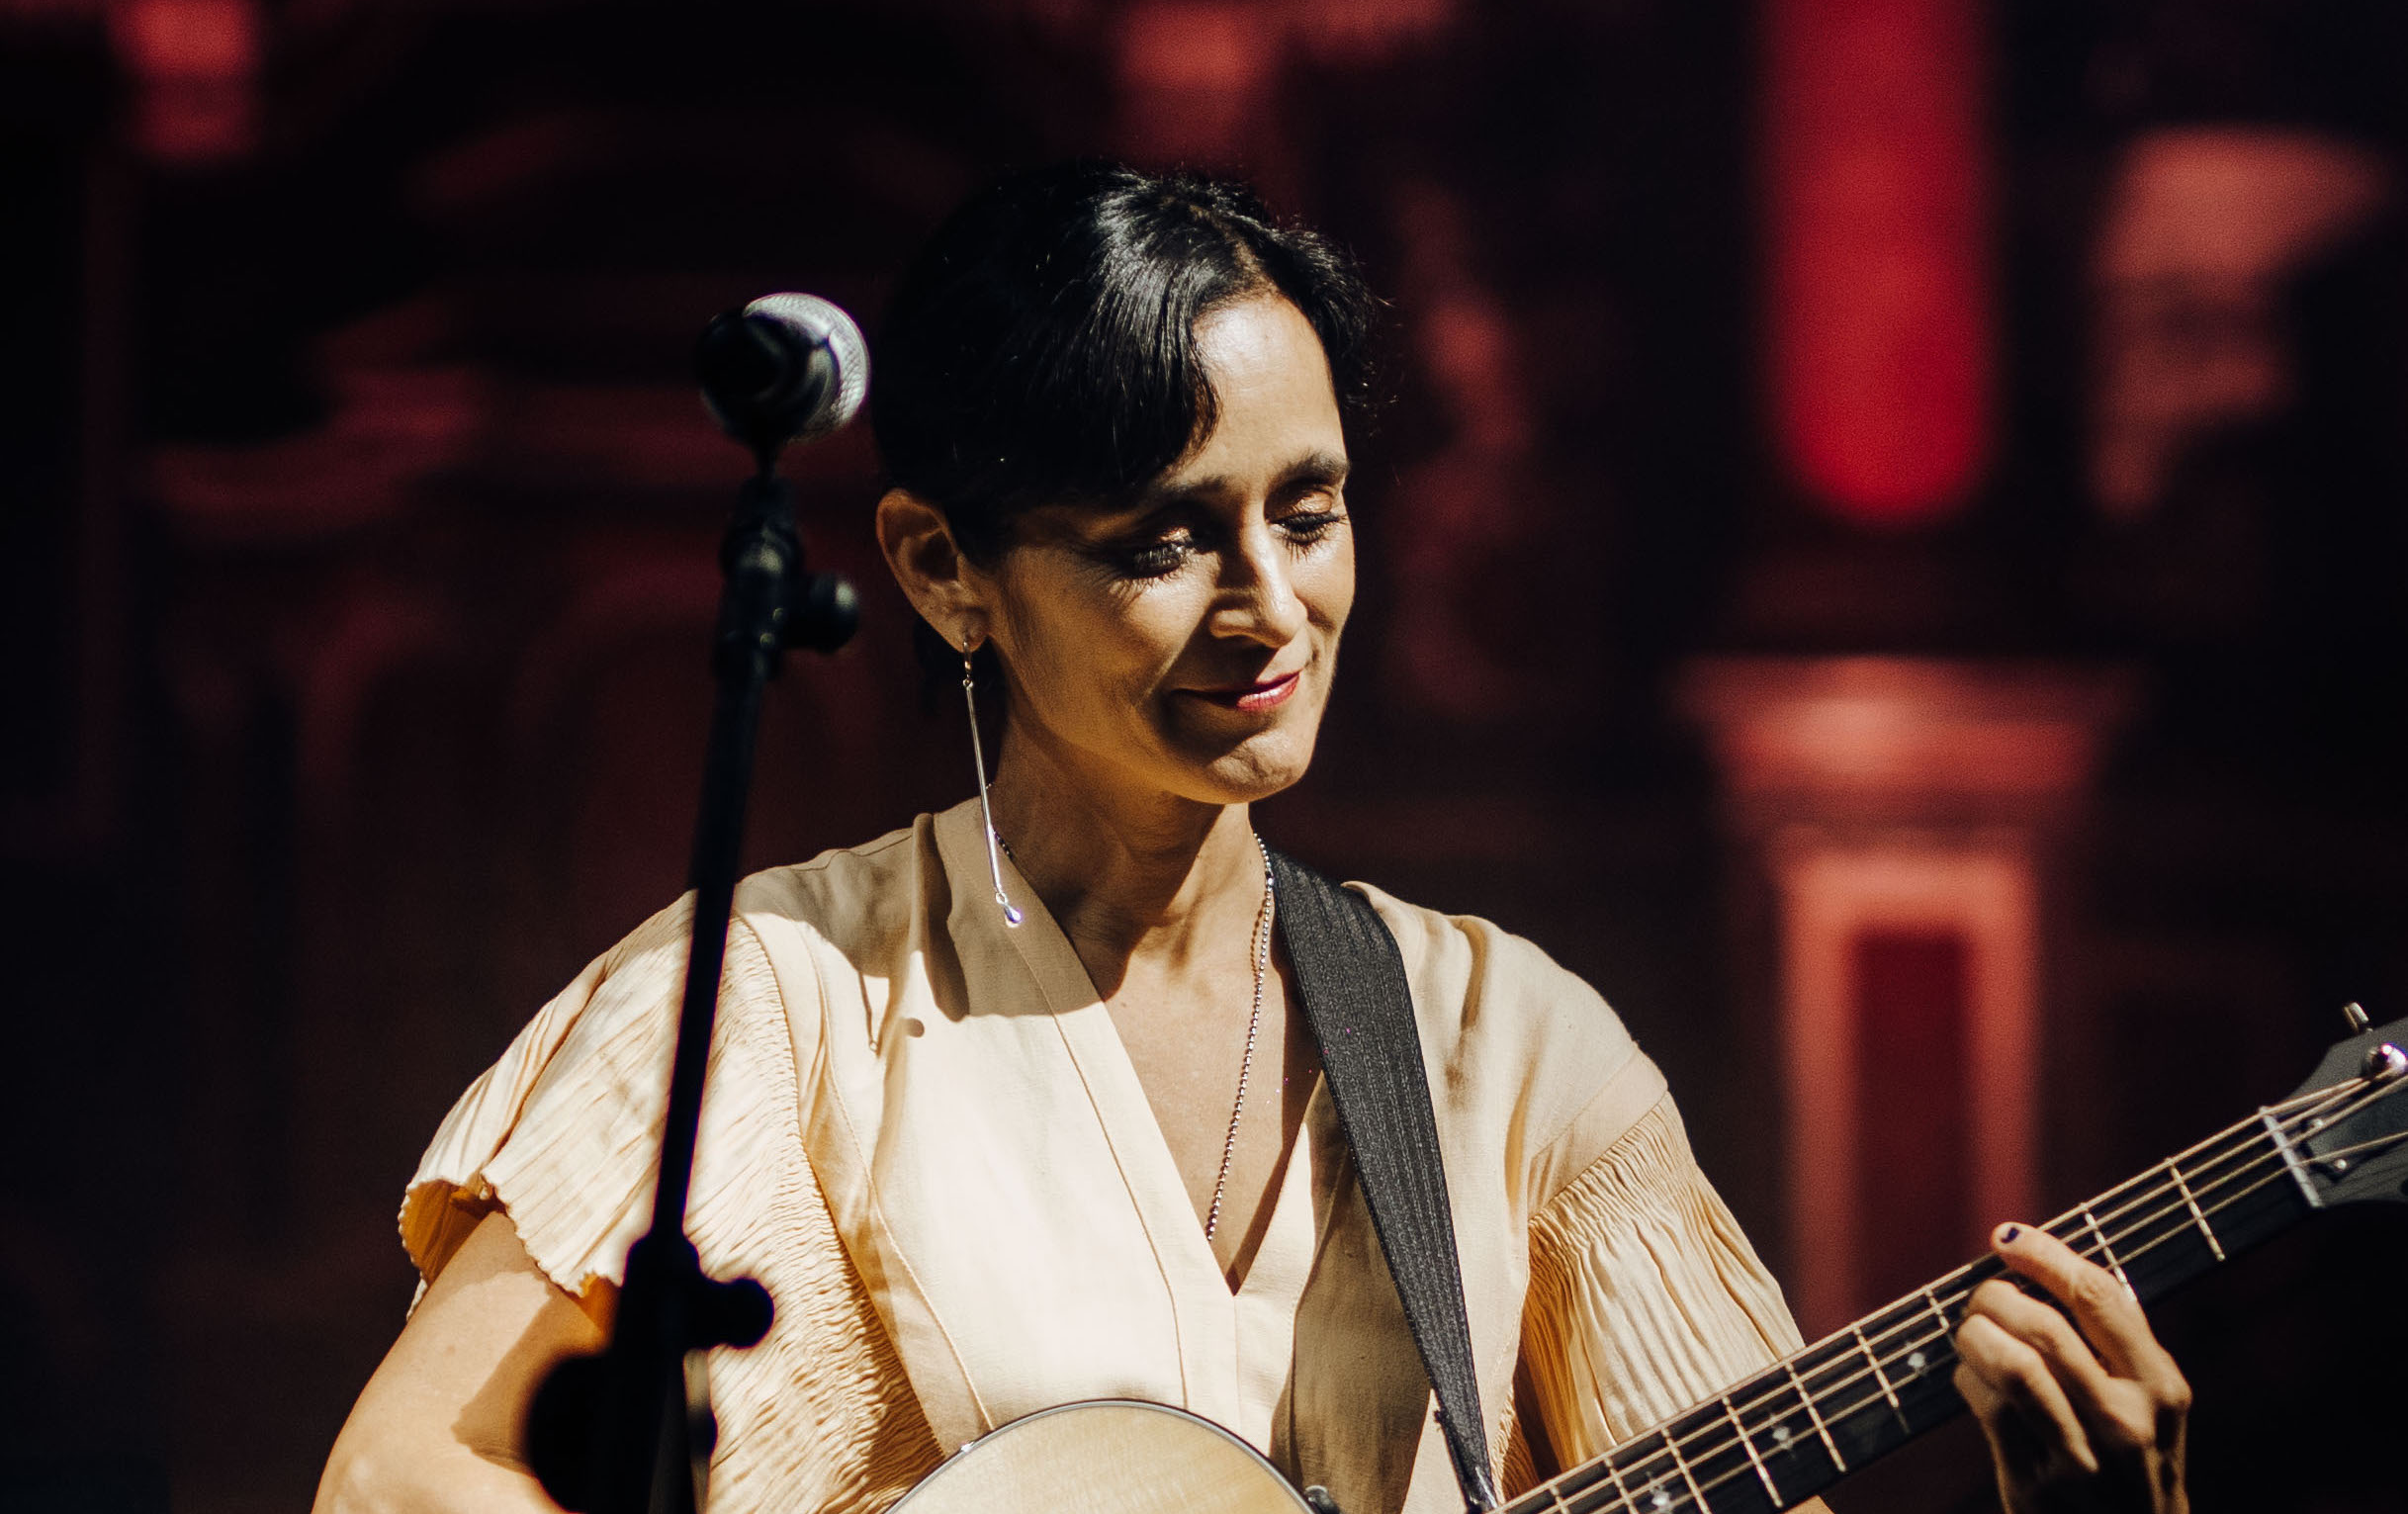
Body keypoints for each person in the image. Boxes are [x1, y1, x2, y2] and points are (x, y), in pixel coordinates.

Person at [312, 162, 2192, 1514]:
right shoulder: (781, 1013)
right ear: (941, 571)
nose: (1267, 605)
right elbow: (407, 1486)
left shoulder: (1512, 1056)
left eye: (1311, 511)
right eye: (1160, 541)